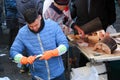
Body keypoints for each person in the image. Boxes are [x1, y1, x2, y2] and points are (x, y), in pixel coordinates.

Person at [10, 7, 69, 80]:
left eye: (36, 25)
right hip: (38, 76)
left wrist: (53, 53)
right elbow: (13, 51)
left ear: (40, 17)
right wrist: (24, 59)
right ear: (26, 23)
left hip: (58, 73)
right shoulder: (23, 33)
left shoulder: (53, 26)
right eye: (31, 26)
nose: (34, 28)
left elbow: (65, 45)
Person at [15, 0, 44, 73]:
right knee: (33, 45)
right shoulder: (35, 1)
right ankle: (32, 67)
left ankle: (24, 66)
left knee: (24, 45)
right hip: (33, 24)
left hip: (22, 23)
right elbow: (40, 10)